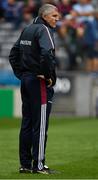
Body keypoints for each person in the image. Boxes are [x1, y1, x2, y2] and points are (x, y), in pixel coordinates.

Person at [9, 3, 60, 174]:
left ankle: (25, 164)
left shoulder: (27, 29)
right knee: (40, 124)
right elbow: (46, 54)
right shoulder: (43, 30)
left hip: (26, 80)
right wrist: (47, 76)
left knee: (27, 123)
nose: (57, 19)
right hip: (39, 83)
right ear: (45, 16)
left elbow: (13, 53)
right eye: (54, 16)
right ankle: (38, 165)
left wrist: (21, 74)